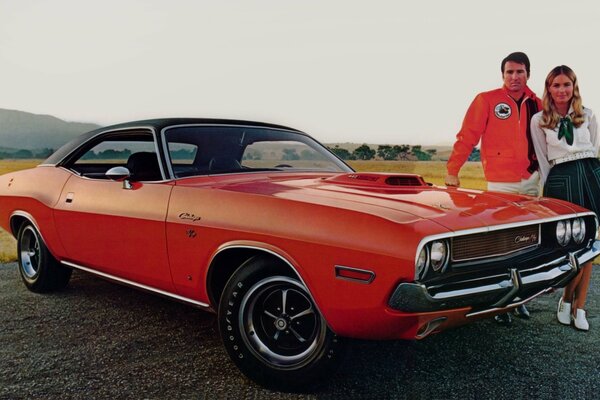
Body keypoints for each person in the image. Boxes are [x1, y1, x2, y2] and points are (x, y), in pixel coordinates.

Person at [445, 51, 543, 324]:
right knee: (501, 245)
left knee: (528, 242)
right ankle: (498, 303)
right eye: (509, 72)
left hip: (531, 182)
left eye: (520, 72)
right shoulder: (487, 100)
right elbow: (467, 137)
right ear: (503, 75)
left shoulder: (538, 103)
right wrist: (452, 170)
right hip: (501, 183)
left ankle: (519, 298)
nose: (514, 77)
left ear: (528, 74)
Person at [530, 65, 598, 331]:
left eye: (566, 85)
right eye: (556, 85)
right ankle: (565, 299)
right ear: (549, 88)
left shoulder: (588, 115)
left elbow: (594, 147)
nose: (561, 90)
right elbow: (543, 158)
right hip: (561, 178)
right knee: (572, 243)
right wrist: (550, 192)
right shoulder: (539, 120)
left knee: (590, 242)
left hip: (590, 175)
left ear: (574, 86)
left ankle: (579, 306)